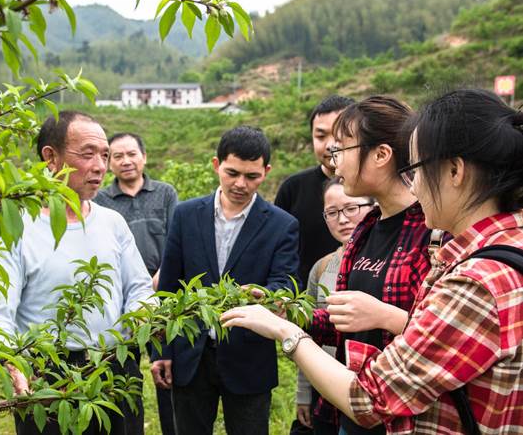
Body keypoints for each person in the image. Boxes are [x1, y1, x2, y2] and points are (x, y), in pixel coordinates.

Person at [221, 88, 523, 434]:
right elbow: (353, 323)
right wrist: (287, 312)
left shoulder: (476, 279)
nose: (416, 184)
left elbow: (371, 398)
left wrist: (285, 331)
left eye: (419, 168)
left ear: (455, 171)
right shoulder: (375, 229)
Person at [230, 96, 436, 435]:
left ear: (381, 155)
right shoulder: (366, 229)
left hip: (406, 415)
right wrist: (285, 312)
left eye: (342, 149)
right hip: (352, 407)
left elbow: (445, 333)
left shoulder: (430, 231)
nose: (332, 158)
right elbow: (343, 322)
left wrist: (386, 316)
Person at [0, 111, 154, 435]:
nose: (100, 166)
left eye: (104, 155)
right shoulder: (17, 227)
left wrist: (141, 319)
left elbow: (140, 288)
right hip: (46, 376)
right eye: (88, 154)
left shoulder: (112, 223)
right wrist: (11, 363)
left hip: (115, 369)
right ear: (51, 157)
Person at [151, 126, 300, 435]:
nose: (240, 184)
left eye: (252, 176)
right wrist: (161, 350)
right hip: (191, 353)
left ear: (266, 172)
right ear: (216, 164)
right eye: (232, 173)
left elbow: (283, 283)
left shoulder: (282, 225)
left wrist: (263, 294)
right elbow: (168, 289)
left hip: (248, 357)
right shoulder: (186, 214)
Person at [94, 132, 177, 435]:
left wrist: (160, 276)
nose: (126, 161)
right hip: (120, 303)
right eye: (117, 156)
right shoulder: (101, 199)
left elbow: (174, 239)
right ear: (109, 162)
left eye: (131, 154)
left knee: (167, 369)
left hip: (162, 294)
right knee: (123, 372)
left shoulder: (165, 193)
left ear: (144, 156)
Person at [296, 178, 374, 434]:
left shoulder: (385, 264)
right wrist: (304, 394)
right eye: (332, 212)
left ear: (372, 206)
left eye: (351, 208)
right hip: (326, 392)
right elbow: (308, 335)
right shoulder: (322, 267)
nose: (342, 219)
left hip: (371, 390)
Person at [275, 95, 355, 291]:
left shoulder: (371, 188)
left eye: (337, 136)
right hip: (303, 303)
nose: (329, 145)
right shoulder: (292, 188)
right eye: (320, 136)